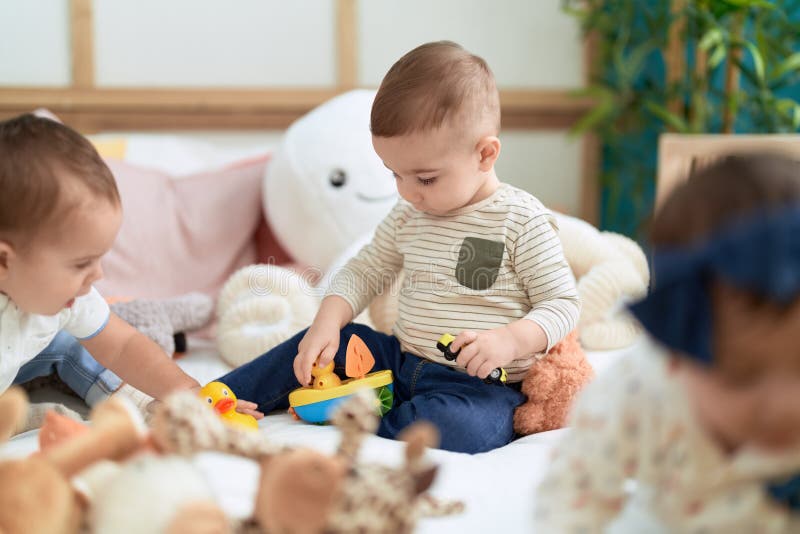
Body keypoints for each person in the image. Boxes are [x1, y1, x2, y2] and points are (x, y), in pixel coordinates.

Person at [220, 41, 579, 453]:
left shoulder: (520, 220)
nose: (408, 192)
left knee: (464, 428)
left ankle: (359, 414)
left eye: (424, 179)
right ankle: (216, 398)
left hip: (479, 385)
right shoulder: (409, 215)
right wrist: (327, 321)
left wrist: (511, 341)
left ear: (485, 154)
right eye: (395, 175)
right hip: (399, 361)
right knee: (324, 341)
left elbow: (563, 305)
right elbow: (365, 270)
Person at [534, 154, 800, 531]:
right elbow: (572, 494)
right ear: (675, 354)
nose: (786, 404)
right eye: (744, 377)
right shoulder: (639, 392)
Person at [0, 113, 260, 424]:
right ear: (4, 261)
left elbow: (122, 345)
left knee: (73, 343)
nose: (98, 276)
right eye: (81, 264)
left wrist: (188, 392)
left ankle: (137, 404)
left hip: (21, 355)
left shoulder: (66, 299)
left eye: (99, 259)